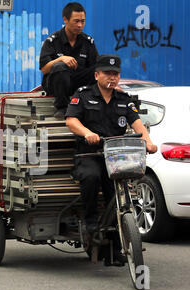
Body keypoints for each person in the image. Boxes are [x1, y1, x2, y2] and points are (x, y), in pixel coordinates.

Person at [65, 54, 158, 265]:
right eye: (107, 73)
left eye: (115, 74)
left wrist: (149, 142)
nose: (112, 77)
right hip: (89, 154)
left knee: (117, 195)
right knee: (91, 176)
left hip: (115, 157)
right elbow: (71, 121)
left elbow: (138, 125)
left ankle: (116, 248)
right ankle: (89, 222)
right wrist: (87, 133)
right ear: (97, 75)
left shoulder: (124, 100)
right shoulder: (83, 94)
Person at [39, 2, 98, 118]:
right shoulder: (52, 41)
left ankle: (93, 101)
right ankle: (62, 107)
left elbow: (95, 69)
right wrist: (60, 59)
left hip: (77, 83)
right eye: (76, 21)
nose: (80, 25)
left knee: (99, 69)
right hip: (56, 84)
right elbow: (44, 69)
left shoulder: (88, 42)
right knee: (60, 67)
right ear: (65, 20)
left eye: (83, 21)